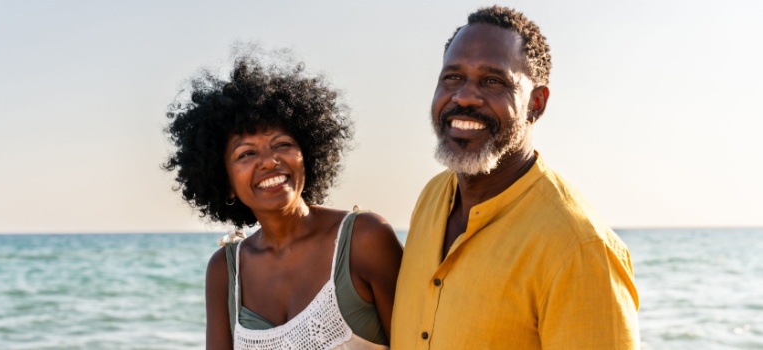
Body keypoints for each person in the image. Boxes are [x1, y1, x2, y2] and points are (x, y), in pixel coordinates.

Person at [391, 5, 639, 349]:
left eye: (492, 81)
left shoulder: (580, 249)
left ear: (536, 103)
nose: (464, 96)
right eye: (452, 77)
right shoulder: (433, 197)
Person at [164, 55, 403, 350]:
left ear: (308, 154)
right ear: (224, 181)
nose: (269, 161)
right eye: (246, 154)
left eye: (283, 144)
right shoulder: (225, 271)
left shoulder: (365, 239)